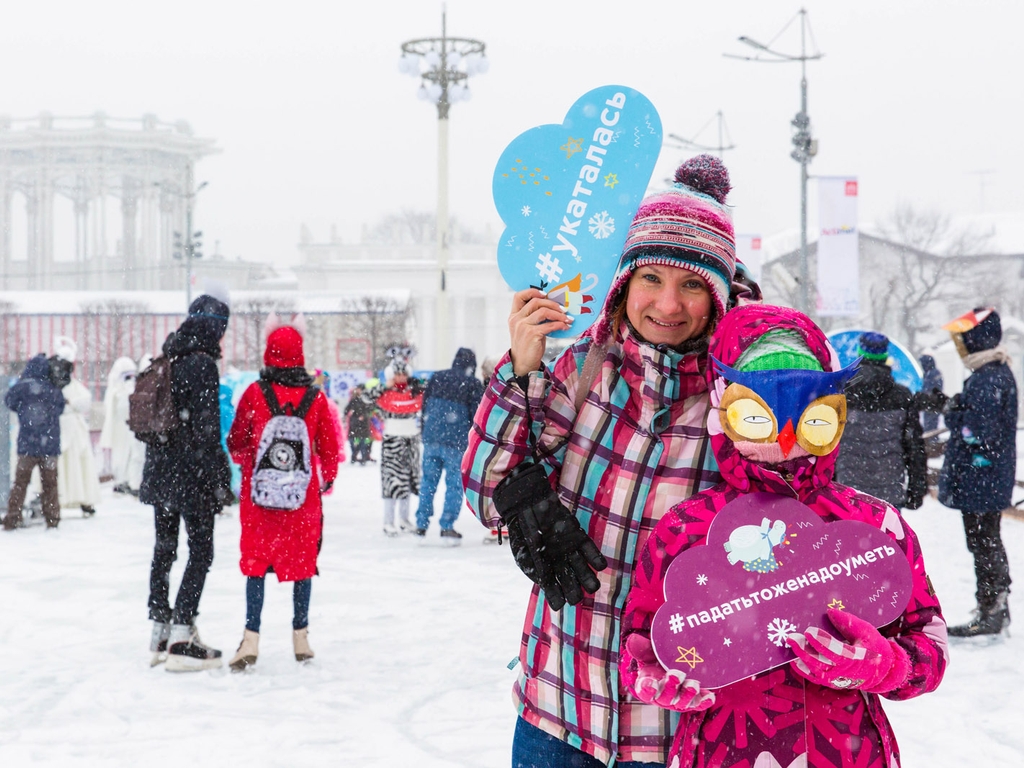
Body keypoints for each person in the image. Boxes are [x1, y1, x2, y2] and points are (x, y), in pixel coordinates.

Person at [463, 155, 737, 767]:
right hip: (558, 707)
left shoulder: (736, 403)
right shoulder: (583, 371)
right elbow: (486, 493)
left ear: (718, 296)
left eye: (692, 284)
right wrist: (520, 372)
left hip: (675, 725)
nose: (668, 304)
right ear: (623, 282)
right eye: (651, 279)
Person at [619, 303, 948, 768]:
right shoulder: (687, 527)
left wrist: (885, 664)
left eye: (809, 413)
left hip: (848, 752)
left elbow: (928, 644)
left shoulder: (873, 525)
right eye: (759, 413)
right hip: (720, 751)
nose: (786, 437)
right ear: (724, 407)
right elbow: (641, 638)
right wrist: (652, 673)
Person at [226, 319, 340, 670]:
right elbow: (330, 448)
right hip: (301, 499)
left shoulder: (253, 394)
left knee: (256, 565)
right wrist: (325, 480)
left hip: (259, 500)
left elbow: (236, 442)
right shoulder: (316, 398)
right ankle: (301, 637)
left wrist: (252, 466)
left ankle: (250, 639)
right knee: (302, 564)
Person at [141, 293, 233, 671]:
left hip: (160, 470)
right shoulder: (202, 364)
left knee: (165, 548)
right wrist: (220, 479)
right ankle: (182, 636)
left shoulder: (168, 356)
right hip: (190, 474)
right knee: (200, 552)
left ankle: (159, 632)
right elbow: (207, 431)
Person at [938, 307, 1017, 636]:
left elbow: (977, 433)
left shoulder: (987, 378)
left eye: (963, 339)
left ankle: (992, 610)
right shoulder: (992, 372)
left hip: (981, 477)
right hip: (986, 477)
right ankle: (994, 606)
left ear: (975, 339)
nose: (960, 346)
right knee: (986, 541)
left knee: (984, 542)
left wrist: (952, 413)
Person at [834, 332, 927, 509]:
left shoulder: (842, 393)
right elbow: (914, 447)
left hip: (848, 490)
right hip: (889, 491)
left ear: (860, 354)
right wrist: (917, 488)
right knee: (887, 537)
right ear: (884, 356)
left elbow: (829, 443)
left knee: (849, 536)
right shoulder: (902, 396)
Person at [414, 347, 484, 540]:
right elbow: (476, 416)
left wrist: (425, 432)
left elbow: (425, 406)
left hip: (431, 439)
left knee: (428, 482)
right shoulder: (472, 384)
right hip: (456, 442)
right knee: (454, 485)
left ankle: (421, 524)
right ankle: (447, 525)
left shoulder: (436, 377)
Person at [39, 337, 101, 518]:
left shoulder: (70, 385)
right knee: (62, 465)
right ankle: (60, 499)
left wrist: (70, 404)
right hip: (60, 428)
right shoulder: (51, 383)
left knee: (76, 464)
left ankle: (81, 499)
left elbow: (84, 401)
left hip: (73, 430)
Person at [3, 354, 64, 529]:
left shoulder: (21, 387)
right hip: (50, 446)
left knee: (20, 483)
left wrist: (25, 410)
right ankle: (52, 519)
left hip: (27, 445)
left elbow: (9, 402)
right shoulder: (53, 388)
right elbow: (60, 408)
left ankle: (13, 517)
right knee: (50, 485)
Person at [374, 349, 425, 537]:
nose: (401, 377)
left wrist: (417, 385)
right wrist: (384, 386)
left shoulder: (416, 392)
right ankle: (388, 521)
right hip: (392, 442)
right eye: (397, 373)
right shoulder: (385, 393)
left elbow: (426, 395)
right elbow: (366, 397)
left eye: (403, 373)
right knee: (391, 481)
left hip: (411, 441)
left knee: (409, 480)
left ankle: (404, 519)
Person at [100, 356, 146, 495]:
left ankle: (132, 481)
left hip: (131, 426)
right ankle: (122, 481)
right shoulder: (116, 391)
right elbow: (113, 408)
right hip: (121, 427)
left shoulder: (131, 389)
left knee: (135, 455)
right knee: (121, 455)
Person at [344, 385, 375, 464]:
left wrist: (364, 416)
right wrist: (348, 415)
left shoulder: (367, 400)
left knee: (365, 441)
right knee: (354, 441)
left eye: (359, 389)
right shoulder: (354, 399)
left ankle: (364, 456)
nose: (358, 391)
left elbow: (370, 410)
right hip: (355, 424)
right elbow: (347, 409)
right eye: (357, 389)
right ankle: (354, 456)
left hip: (364, 424)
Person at [917, 354, 944, 433]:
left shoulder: (931, 373)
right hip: (933, 403)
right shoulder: (933, 373)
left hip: (931, 404)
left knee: (930, 426)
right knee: (931, 425)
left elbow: (930, 389)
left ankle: (931, 443)